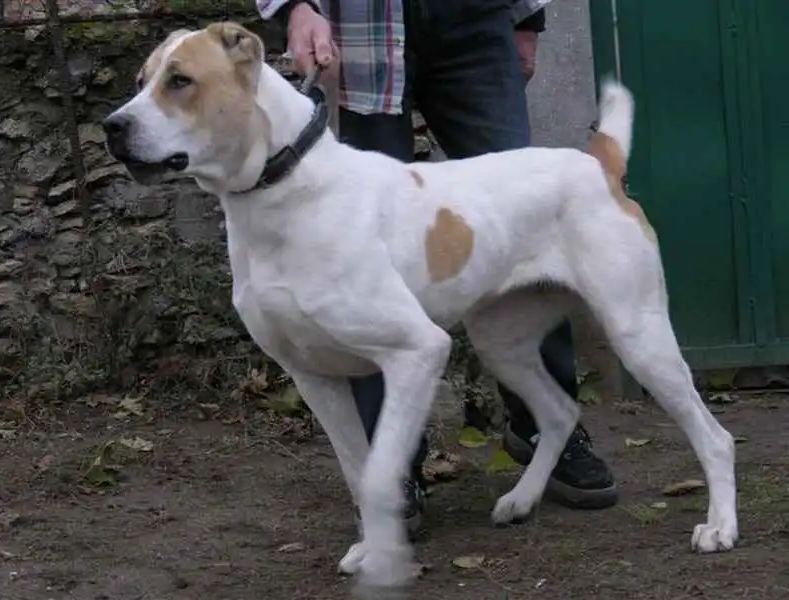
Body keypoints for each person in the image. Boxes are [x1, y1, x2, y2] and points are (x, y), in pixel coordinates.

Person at [255, 0, 618, 531]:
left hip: (475, 22)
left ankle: (544, 426)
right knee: (362, 260)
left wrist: (527, 15)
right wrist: (294, 8)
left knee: (528, 225)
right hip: (361, 33)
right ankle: (393, 466)